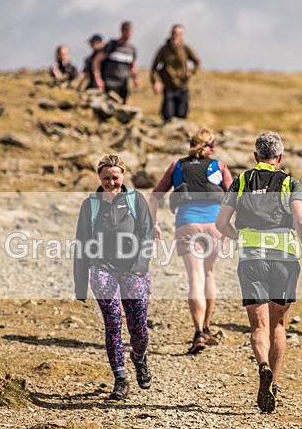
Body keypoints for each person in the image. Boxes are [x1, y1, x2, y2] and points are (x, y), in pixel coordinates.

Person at [215, 132, 302, 413]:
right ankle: (272, 382)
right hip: (284, 260)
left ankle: (262, 366)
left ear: (255, 157)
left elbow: (221, 222)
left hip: (251, 260)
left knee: (258, 327)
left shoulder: (241, 181)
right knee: (277, 325)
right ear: (280, 157)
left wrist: (238, 237)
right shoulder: (289, 182)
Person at [74, 155, 155, 401]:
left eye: (115, 177)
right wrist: (80, 284)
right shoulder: (91, 204)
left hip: (133, 269)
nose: (111, 182)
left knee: (138, 327)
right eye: (106, 178)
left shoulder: (135, 200)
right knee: (112, 323)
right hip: (102, 269)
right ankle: (120, 380)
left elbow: (147, 234)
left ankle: (139, 359)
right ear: (99, 178)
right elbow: (82, 242)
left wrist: (141, 265)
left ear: (123, 176)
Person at [148, 128, 233, 354]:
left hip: (187, 224)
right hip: (214, 226)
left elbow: (155, 197)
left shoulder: (177, 166)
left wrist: (153, 224)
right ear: (212, 146)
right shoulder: (219, 166)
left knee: (195, 277)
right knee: (209, 274)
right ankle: (206, 327)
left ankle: (198, 332)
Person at [150, 24, 200, 121]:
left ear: (182, 36)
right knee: (168, 115)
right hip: (169, 87)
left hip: (183, 87)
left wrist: (191, 72)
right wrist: (156, 82)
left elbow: (197, 62)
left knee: (182, 116)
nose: (175, 36)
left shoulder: (186, 49)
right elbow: (154, 68)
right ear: (170, 34)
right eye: (173, 33)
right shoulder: (164, 50)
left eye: (178, 34)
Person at [99, 20, 141, 103]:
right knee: (111, 106)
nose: (128, 35)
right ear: (122, 31)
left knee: (124, 106)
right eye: (126, 32)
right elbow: (97, 61)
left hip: (123, 84)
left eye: (130, 32)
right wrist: (98, 78)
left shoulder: (132, 49)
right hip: (110, 82)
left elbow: (133, 66)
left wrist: (135, 78)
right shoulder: (111, 45)